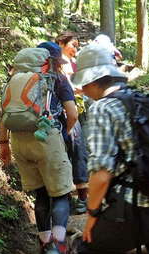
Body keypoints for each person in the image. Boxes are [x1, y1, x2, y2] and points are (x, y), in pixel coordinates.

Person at [70, 43, 149, 254]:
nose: (82, 89)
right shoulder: (142, 100)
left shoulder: (103, 108)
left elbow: (101, 173)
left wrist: (92, 216)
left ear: (94, 80)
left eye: (84, 83)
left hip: (136, 211)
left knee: (87, 252)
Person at [0, 41, 77, 254]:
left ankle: (44, 245)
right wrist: (63, 134)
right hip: (46, 138)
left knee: (41, 194)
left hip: (18, 141)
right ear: (49, 62)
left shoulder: (13, 81)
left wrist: (4, 146)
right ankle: (59, 248)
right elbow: (72, 114)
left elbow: (2, 116)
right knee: (61, 194)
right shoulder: (57, 79)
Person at [56, 31, 89, 214]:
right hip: (65, 113)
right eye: (73, 45)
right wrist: (86, 88)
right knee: (77, 152)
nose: (75, 49)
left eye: (77, 46)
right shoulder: (57, 63)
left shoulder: (68, 62)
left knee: (73, 153)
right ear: (61, 42)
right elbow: (68, 88)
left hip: (72, 112)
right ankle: (80, 198)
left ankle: (70, 197)